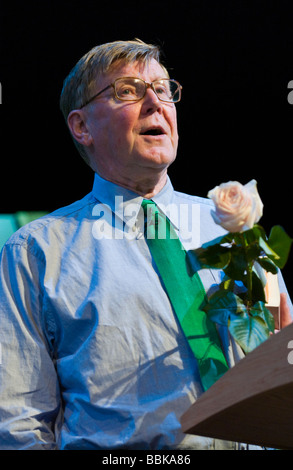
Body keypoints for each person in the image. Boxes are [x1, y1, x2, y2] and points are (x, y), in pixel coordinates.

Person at [0, 39, 291, 450]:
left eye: (164, 88)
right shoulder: (36, 250)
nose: (155, 102)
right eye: (128, 91)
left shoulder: (234, 224)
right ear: (82, 127)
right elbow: (19, 421)